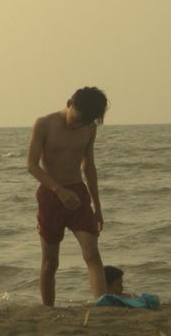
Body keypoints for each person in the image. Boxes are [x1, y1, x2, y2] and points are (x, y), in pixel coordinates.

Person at [26, 86, 109, 306]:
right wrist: (58, 190)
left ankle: (102, 305)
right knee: (50, 262)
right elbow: (32, 165)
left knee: (92, 252)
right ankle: (48, 310)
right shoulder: (44, 124)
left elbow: (88, 166)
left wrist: (98, 208)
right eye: (76, 119)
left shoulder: (89, 129)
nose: (77, 125)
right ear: (70, 103)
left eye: (84, 121)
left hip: (78, 194)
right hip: (51, 195)